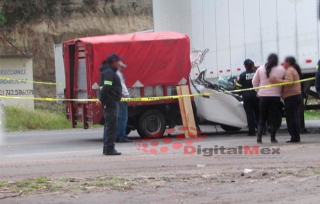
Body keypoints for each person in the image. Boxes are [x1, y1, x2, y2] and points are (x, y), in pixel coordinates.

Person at [252, 53, 286, 143]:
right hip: (275, 97)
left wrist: (258, 91)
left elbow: (254, 82)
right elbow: (284, 83)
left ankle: (259, 137)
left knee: (262, 117)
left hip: (263, 97)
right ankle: (273, 138)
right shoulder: (281, 69)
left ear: (268, 59)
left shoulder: (261, 68)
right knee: (274, 117)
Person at [270, 57, 302, 143]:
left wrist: (276, 80)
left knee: (291, 118)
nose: (283, 63)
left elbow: (289, 82)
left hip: (291, 97)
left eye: (284, 61)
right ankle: (296, 136)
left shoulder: (289, 70)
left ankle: (294, 137)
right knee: (294, 117)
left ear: (288, 62)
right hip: (295, 96)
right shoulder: (293, 69)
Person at [98, 54, 123, 156]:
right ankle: (109, 148)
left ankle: (107, 148)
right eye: (118, 61)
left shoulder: (108, 72)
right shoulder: (109, 72)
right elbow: (106, 87)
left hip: (109, 102)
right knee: (111, 125)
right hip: (111, 102)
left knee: (109, 125)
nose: (119, 63)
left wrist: (101, 99)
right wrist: (102, 99)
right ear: (113, 62)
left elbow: (103, 88)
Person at [236, 59, 260, 136]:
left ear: (245, 66)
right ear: (252, 65)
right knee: (258, 113)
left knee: (249, 114)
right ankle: (262, 131)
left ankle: (251, 131)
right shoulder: (257, 73)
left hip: (246, 97)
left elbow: (238, 86)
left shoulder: (242, 75)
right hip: (257, 95)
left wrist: (236, 85)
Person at [116, 61, 132, 143]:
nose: (122, 69)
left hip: (116, 98)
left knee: (118, 118)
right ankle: (122, 136)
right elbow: (122, 86)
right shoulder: (118, 74)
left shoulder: (113, 73)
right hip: (121, 98)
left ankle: (117, 135)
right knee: (123, 118)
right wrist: (126, 96)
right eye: (121, 67)